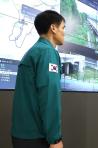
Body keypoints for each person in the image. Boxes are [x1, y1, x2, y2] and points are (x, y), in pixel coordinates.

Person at [11, 10, 65, 148]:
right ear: (53, 28)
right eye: (63, 28)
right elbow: (49, 96)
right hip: (36, 137)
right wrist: (55, 139)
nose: (64, 32)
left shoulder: (34, 51)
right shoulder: (47, 52)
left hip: (23, 135)